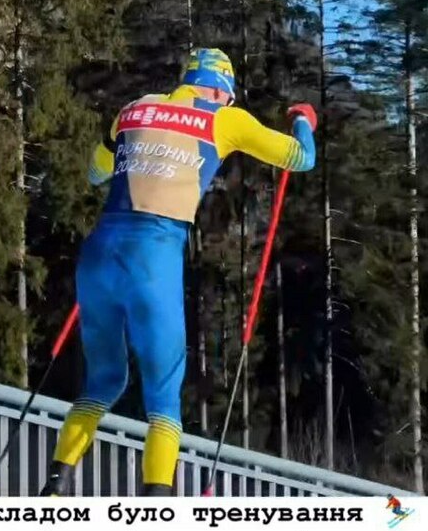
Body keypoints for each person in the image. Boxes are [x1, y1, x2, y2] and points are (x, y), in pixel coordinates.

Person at [41, 47, 318, 497]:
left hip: (99, 255)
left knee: (104, 380)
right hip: (154, 257)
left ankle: (56, 483)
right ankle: (157, 503)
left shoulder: (134, 109)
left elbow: (95, 172)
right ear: (221, 90)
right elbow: (301, 158)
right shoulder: (224, 119)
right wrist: (304, 119)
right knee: (163, 398)